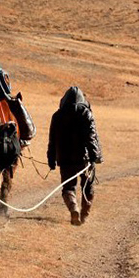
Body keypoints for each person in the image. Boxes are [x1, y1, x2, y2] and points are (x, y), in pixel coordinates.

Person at [47, 86, 103, 225]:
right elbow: (92, 137)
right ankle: (85, 214)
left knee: (68, 188)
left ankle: (73, 209)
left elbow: (52, 140)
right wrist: (94, 156)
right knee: (88, 186)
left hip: (65, 159)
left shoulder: (57, 115)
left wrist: (51, 160)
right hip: (85, 160)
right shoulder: (86, 113)